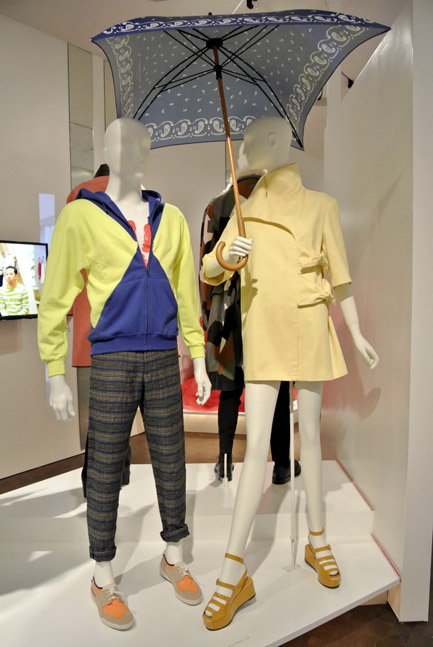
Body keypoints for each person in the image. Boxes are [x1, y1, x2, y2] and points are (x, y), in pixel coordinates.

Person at [201, 116, 379, 630]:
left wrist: (356, 331)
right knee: (257, 445)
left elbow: (340, 277)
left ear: (276, 142)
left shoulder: (322, 206)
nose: (245, 148)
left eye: (251, 140)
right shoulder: (245, 208)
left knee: (311, 439)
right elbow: (210, 270)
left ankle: (317, 542)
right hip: (265, 328)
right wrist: (225, 254)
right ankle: (233, 570)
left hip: (310, 323)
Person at [38, 117, 211, 631]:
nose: (132, 151)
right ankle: (103, 575)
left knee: (172, 460)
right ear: (107, 150)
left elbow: (187, 295)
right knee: (105, 467)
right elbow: (56, 297)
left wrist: (198, 356)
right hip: (112, 358)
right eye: (120, 142)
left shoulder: (172, 219)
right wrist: (54, 372)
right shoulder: (81, 215)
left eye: (141, 143)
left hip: (162, 357)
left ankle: (173, 556)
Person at [200, 164, 301, 484]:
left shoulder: (216, 205)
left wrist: (207, 314)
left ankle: (224, 460)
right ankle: (282, 463)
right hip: (268, 305)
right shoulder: (279, 202)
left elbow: (206, 260)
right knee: (277, 386)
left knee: (230, 388)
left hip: (226, 308)